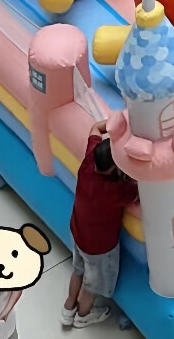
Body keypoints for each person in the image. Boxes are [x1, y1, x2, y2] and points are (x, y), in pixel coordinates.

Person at [64, 127, 138, 328]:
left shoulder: (89, 160)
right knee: (92, 285)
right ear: (116, 168)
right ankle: (83, 315)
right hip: (99, 247)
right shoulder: (116, 189)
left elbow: (95, 127)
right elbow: (140, 191)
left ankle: (68, 307)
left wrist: (115, 124)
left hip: (78, 231)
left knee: (78, 269)